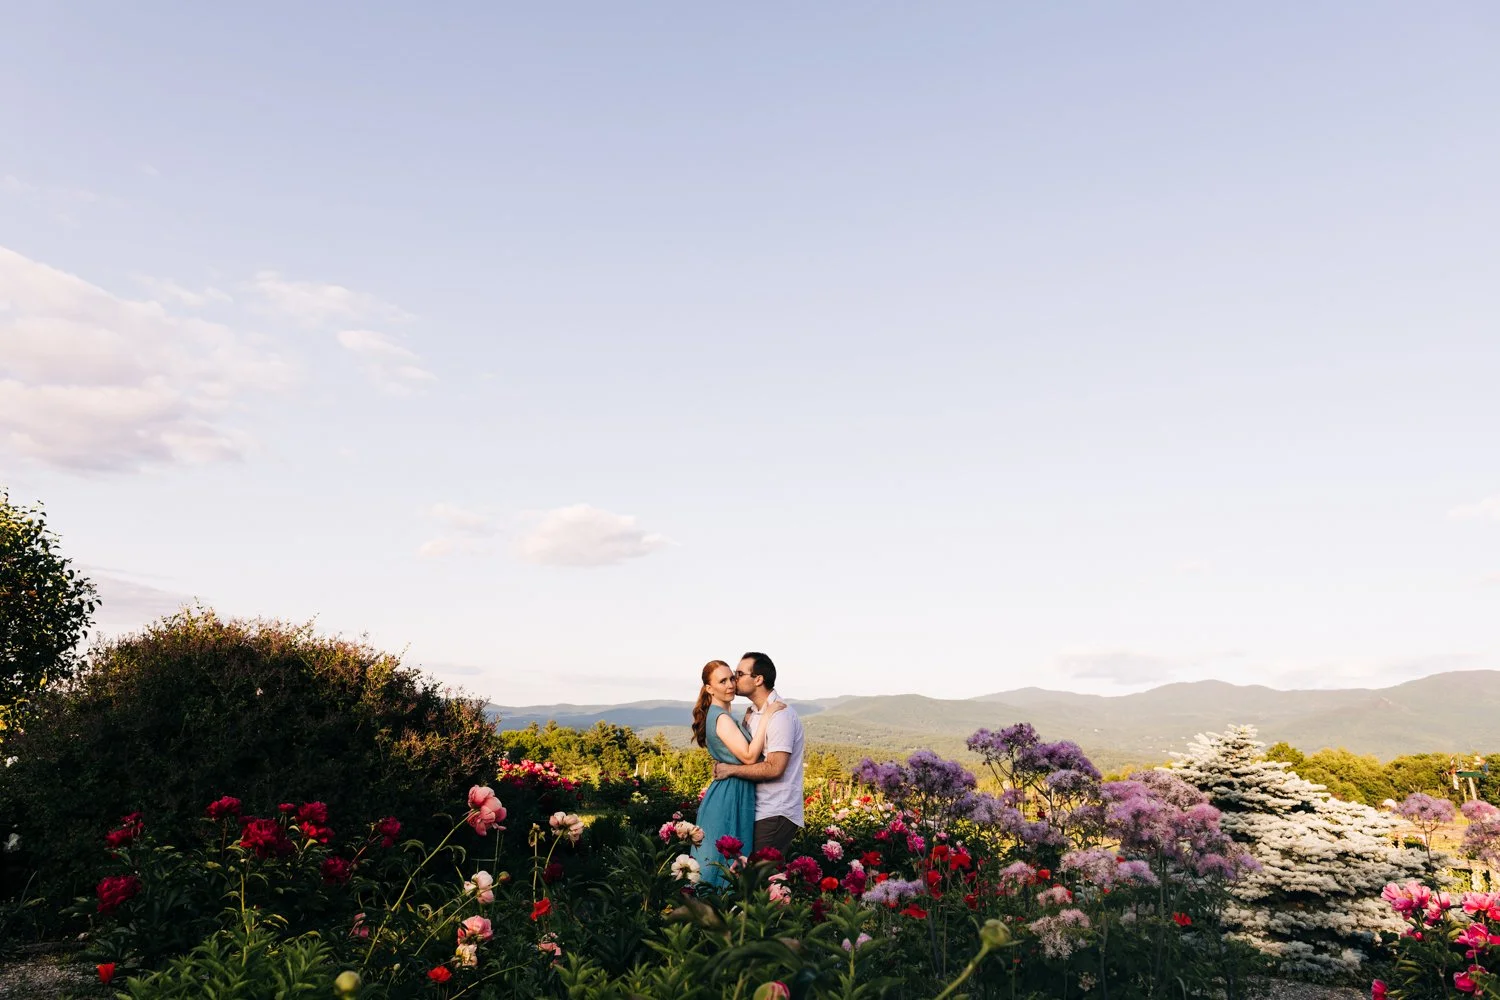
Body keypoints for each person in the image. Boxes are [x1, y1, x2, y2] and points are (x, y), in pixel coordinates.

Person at [689, 659, 785, 887]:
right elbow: (750, 756)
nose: (730, 685)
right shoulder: (721, 717)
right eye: (722, 681)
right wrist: (768, 716)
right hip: (730, 793)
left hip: (734, 789)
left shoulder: (723, 714)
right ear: (709, 689)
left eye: (732, 678)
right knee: (720, 858)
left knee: (728, 857)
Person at [712, 651, 806, 856]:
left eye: (739, 674)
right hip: (757, 809)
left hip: (775, 810)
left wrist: (730, 770)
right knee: (747, 879)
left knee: (760, 879)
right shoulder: (754, 713)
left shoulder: (780, 715)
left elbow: (775, 768)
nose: (734, 679)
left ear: (758, 679)